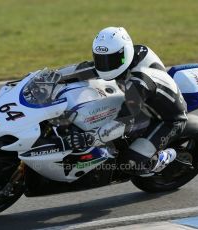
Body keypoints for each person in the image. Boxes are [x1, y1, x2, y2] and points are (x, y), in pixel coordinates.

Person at [66, 27, 188, 175]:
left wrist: (91, 137)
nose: (105, 65)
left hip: (167, 120)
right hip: (144, 102)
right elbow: (89, 68)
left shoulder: (139, 82)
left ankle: (167, 157)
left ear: (124, 54)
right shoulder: (131, 53)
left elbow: (126, 120)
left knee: (130, 164)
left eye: (110, 60)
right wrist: (54, 76)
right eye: (101, 59)